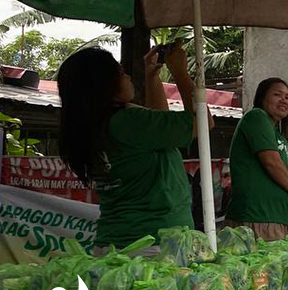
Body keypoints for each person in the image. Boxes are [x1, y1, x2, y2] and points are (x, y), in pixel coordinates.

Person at [58, 44, 211, 251]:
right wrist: (181, 74)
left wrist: (152, 78)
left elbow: (159, 127)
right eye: (120, 72)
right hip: (153, 246)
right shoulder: (126, 122)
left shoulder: (95, 125)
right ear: (104, 84)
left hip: (116, 244)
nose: (128, 76)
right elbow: (202, 123)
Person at [227, 78, 288, 241]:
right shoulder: (257, 116)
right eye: (277, 94)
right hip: (258, 217)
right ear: (262, 98)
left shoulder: (278, 135)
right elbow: (272, 163)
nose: (284, 100)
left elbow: (286, 170)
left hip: (279, 217)